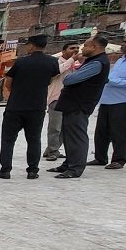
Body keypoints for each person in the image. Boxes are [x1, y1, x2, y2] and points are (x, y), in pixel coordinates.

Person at [0, 35, 59, 180]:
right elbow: (50, 80)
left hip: (16, 106)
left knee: (8, 139)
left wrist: (17, 92)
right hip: (37, 106)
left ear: (32, 45)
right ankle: (32, 170)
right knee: (34, 139)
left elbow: (8, 82)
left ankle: (5, 169)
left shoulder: (21, 62)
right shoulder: (52, 62)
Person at [49, 35, 111, 179]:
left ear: (95, 47)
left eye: (86, 46)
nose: (82, 49)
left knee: (77, 136)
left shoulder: (97, 63)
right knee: (68, 135)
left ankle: (75, 168)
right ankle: (68, 163)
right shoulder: (92, 61)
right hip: (73, 103)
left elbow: (69, 79)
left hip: (80, 104)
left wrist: (74, 72)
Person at [89, 34, 126, 169]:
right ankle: (100, 157)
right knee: (101, 131)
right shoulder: (121, 59)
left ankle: (119, 159)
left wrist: (110, 81)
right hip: (106, 99)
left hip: (122, 100)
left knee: (119, 132)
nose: (123, 44)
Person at [43, 43, 80, 161]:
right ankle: (52, 151)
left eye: (77, 48)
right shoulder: (57, 62)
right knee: (55, 127)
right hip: (56, 98)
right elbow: (56, 71)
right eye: (72, 48)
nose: (75, 50)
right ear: (63, 51)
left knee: (65, 127)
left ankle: (52, 149)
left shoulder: (75, 65)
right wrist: (71, 60)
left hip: (70, 99)